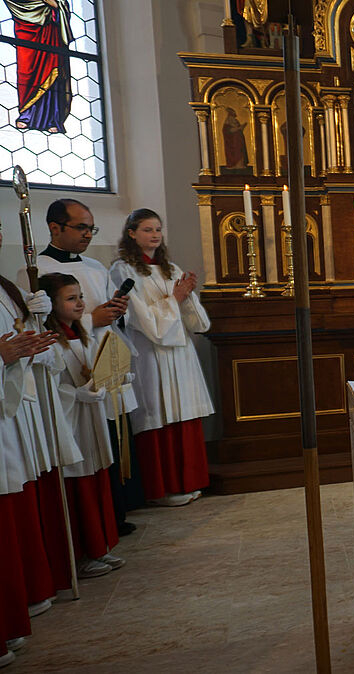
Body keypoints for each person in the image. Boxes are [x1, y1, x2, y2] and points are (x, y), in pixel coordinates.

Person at [32, 198, 140, 534]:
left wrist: (116, 309)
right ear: (55, 228)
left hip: (105, 353)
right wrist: (95, 317)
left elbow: (108, 312)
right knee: (92, 440)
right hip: (73, 361)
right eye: (81, 227)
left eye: (91, 228)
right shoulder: (37, 269)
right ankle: (98, 521)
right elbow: (45, 323)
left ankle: (117, 512)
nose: (88, 234)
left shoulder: (94, 266)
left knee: (113, 436)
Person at [110, 209, 213, 508]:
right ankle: (162, 489)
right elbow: (145, 323)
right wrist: (176, 298)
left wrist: (188, 295)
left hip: (180, 354)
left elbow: (197, 324)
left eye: (158, 229)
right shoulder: (123, 270)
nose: (154, 235)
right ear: (131, 233)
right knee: (158, 415)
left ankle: (189, 481)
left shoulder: (170, 268)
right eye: (146, 229)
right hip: (150, 354)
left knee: (183, 413)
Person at [0, 252, 73, 646]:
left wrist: (34, 325)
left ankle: (25, 597)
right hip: (6, 413)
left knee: (19, 502)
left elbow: (44, 357)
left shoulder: (5, 290)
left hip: (14, 413)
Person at [39, 273, 124, 579]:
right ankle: (82, 555)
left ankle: (100, 546)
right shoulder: (49, 341)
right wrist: (77, 394)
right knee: (79, 485)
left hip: (90, 417)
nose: (80, 304)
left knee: (97, 477)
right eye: (71, 298)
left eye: (80, 297)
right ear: (51, 305)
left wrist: (113, 373)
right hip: (71, 420)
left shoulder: (81, 333)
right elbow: (47, 387)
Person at [5, 0, 73, 132]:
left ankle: (53, 119)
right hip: (27, 28)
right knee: (28, 72)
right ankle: (27, 115)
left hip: (51, 30)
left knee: (53, 70)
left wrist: (56, 5)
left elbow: (61, 4)